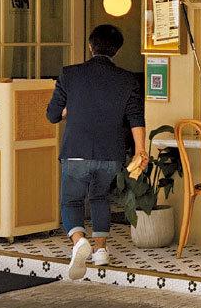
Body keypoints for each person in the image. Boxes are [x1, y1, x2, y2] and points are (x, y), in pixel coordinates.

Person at [46, 24, 147, 280]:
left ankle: (79, 240)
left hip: (76, 151)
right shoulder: (128, 80)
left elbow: (52, 115)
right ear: (117, 50)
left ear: (91, 46)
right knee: (100, 198)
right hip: (110, 154)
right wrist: (141, 151)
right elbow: (136, 118)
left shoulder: (69, 74)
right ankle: (101, 250)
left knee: (71, 201)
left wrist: (70, 109)